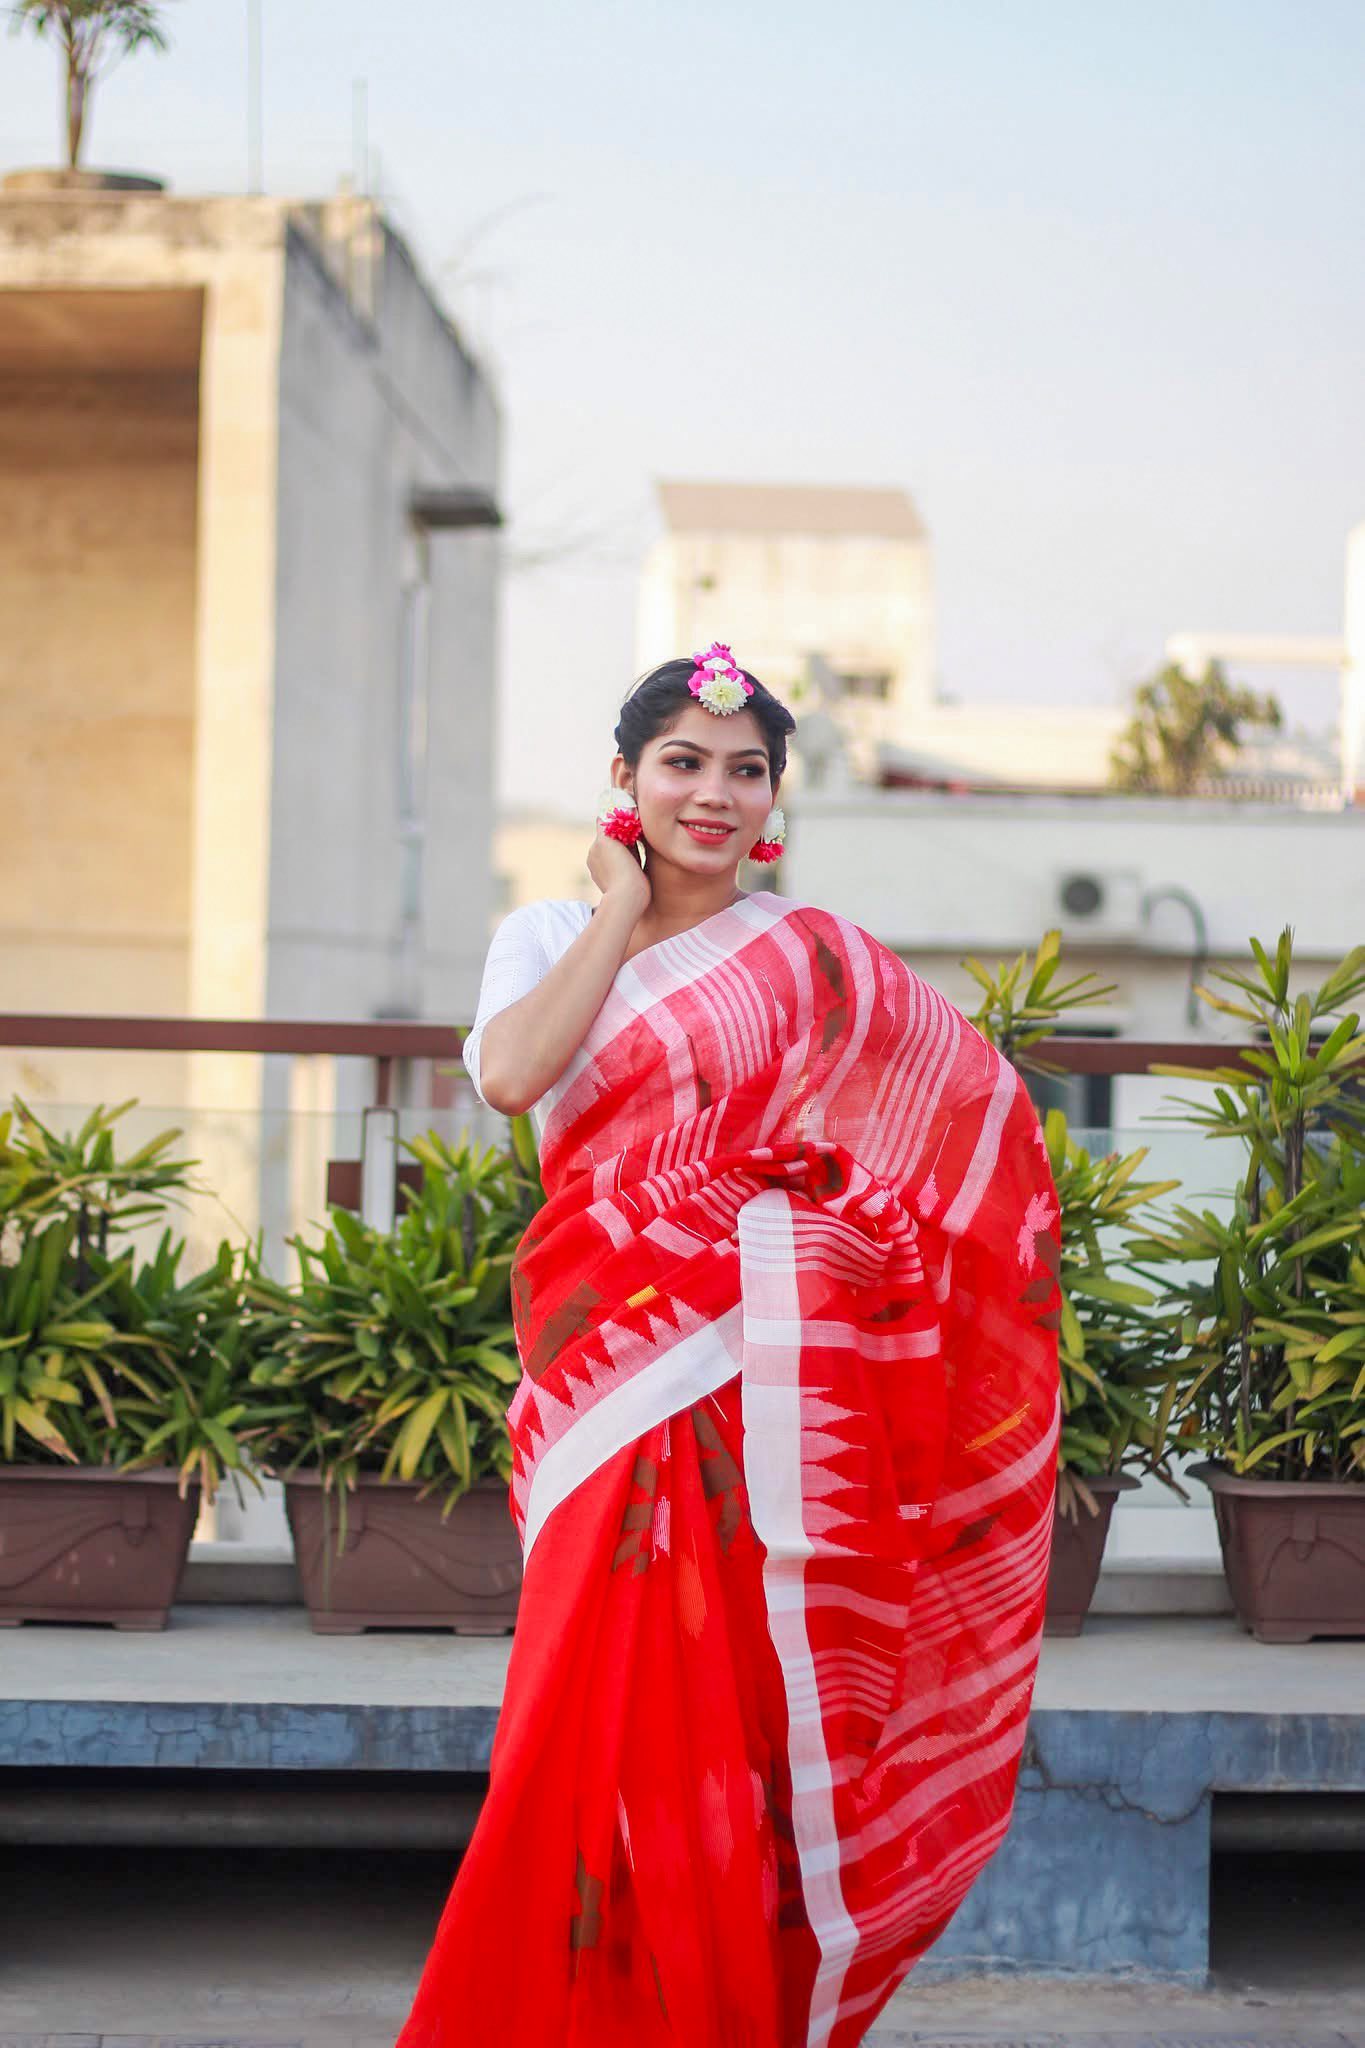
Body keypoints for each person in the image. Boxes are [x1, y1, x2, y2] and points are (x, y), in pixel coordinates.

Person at [396, 646, 1061, 2048]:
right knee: (579, 1713)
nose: (712, 793)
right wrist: (619, 907)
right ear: (625, 781)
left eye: (743, 770)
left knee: (736, 1738)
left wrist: (800, 1230)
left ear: (774, 800)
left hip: (768, 1395)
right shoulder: (541, 935)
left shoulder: (815, 959)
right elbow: (515, 1077)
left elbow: (971, 1145)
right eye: (681, 763)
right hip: (606, 1380)